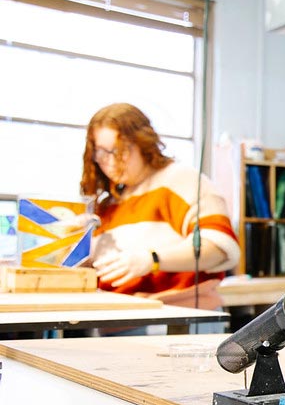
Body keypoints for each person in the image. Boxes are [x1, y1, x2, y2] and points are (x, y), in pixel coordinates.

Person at [79, 103, 240, 328]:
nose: (112, 162)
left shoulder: (178, 180)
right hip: (118, 323)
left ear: (142, 143)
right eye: (102, 153)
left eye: (120, 150)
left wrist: (152, 260)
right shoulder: (110, 204)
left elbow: (220, 249)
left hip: (176, 320)